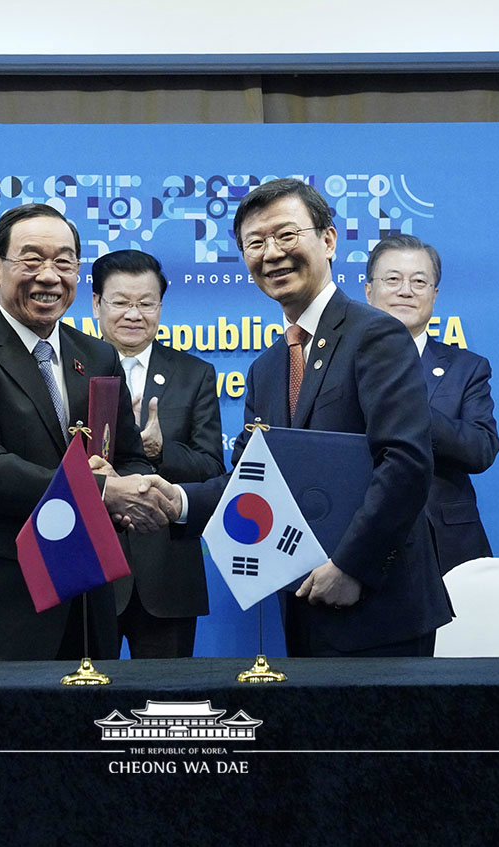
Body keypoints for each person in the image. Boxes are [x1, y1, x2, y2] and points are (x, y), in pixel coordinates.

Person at [171, 178, 452, 657]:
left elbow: (405, 463)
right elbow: (250, 481)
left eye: (286, 235)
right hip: (303, 603)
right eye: (255, 243)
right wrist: (173, 499)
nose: (271, 253)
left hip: (381, 608)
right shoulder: (267, 367)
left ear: (327, 239)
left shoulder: (376, 335)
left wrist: (352, 566)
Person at [0, 204, 177, 662]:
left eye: (64, 262)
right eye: (31, 260)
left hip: (85, 607)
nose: (49, 276)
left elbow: (127, 456)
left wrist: (136, 488)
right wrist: (102, 490)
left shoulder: (98, 357)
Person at [91, 250, 225, 658]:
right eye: (121, 302)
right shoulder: (71, 369)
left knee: (166, 703)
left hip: (168, 574)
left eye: (146, 303)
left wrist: (161, 450)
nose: (134, 314)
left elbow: (213, 468)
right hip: (89, 570)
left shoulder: (194, 374)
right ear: (96, 303)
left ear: (160, 307)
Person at [364, 234, 499, 574]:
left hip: (446, 550)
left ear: (434, 296)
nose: (405, 290)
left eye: (419, 282)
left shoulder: (468, 368)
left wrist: (413, 411)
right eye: (392, 279)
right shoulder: (339, 365)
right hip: (360, 545)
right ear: (369, 291)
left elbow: (481, 449)